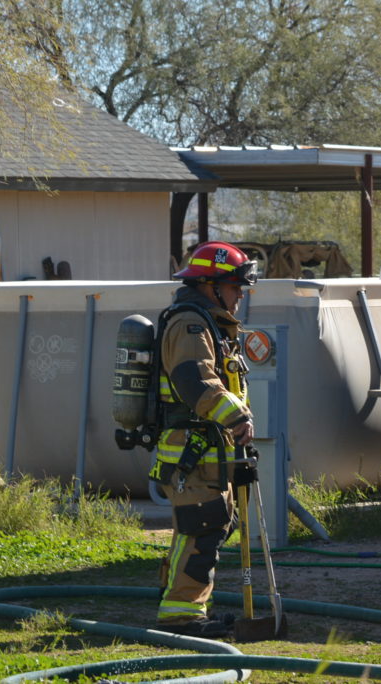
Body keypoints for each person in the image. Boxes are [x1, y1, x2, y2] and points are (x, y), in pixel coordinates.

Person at [149, 241, 258, 638]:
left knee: (203, 528)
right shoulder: (191, 325)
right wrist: (237, 418)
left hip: (209, 452)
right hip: (192, 454)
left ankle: (179, 603)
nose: (240, 296)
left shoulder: (209, 324)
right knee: (202, 528)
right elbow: (195, 381)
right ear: (210, 286)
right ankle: (181, 616)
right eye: (234, 287)